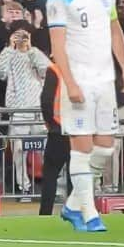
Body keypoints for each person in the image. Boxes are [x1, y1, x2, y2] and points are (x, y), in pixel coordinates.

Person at [46, 0, 124, 233]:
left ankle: (71, 206)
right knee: (81, 148)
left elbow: (115, 30)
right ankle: (90, 213)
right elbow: (57, 46)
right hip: (79, 80)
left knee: (105, 148)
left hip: (105, 80)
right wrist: (69, 83)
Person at [0, 22, 50, 199]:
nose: (21, 38)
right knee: (18, 150)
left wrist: (30, 47)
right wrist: (10, 47)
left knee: (47, 150)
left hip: (39, 110)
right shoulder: (8, 55)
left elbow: (47, 70)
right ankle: (24, 187)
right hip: (18, 111)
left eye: (24, 35)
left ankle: (53, 186)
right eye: (17, 35)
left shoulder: (36, 53)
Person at [38, 60, 72, 217]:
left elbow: (46, 100)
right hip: (79, 130)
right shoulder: (83, 67)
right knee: (77, 175)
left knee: (50, 174)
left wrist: (50, 124)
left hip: (58, 130)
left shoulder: (55, 70)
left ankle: (45, 213)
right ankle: (75, 210)